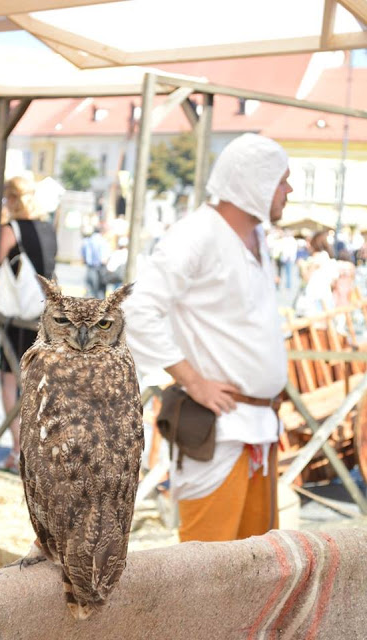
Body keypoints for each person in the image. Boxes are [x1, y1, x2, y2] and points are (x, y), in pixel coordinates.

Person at [124, 133, 292, 542]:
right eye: (282, 180)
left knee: (260, 574)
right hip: (219, 433)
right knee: (209, 578)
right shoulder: (196, 233)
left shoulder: (257, 239)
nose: (289, 190)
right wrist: (192, 381)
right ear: (254, 181)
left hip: (258, 429)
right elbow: (138, 309)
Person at [0, 176, 57, 473]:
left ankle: (19, 450)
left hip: (17, 318)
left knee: (9, 382)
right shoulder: (48, 228)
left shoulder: (11, 230)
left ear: (12, 200)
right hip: (43, 317)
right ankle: (37, 450)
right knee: (35, 385)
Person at [81, 226, 110, 299]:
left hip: (90, 267)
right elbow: (105, 258)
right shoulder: (103, 241)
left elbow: (83, 253)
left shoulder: (87, 240)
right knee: (100, 290)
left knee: (90, 290)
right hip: (100, 267)